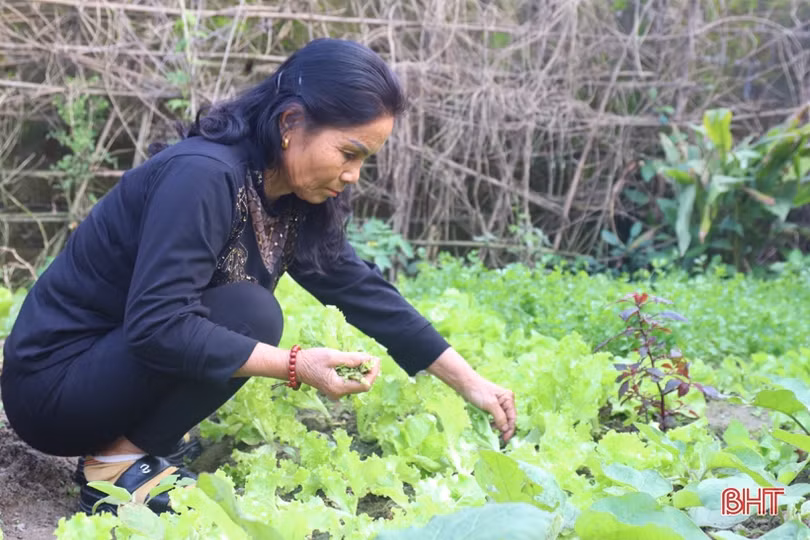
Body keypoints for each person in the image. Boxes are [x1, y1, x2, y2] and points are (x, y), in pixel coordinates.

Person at [0, 38, 517, 515]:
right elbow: (158, 325)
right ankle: (114, 468)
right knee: (250, 313)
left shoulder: (292, 197)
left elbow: (362, 291)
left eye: (365, 160)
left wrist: (470, 382)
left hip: (105, 373)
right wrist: (295, 365)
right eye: (349, 153)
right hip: (53, 388)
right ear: (291, 122)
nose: (353, 174)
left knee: (246, 312)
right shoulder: (204, 175)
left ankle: (128, 451)